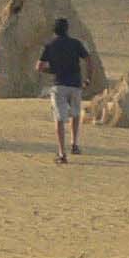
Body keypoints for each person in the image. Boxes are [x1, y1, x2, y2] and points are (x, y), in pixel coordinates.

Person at [37, 16, 93, 162]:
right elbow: (88, 59)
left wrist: (52, 70)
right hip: (75, 84)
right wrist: (88, 79)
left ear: (54, 31)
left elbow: (39, 67)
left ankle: (62, 153)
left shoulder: (50, 45)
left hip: (59, 84)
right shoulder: (76, 43)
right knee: (75, 114)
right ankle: (74, 144)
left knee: (59, 118)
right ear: (67, 29)